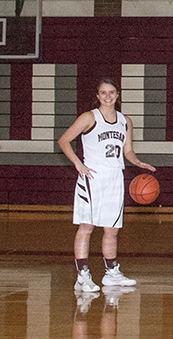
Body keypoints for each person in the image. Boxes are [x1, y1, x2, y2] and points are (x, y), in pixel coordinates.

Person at [58, 79, 155, 293]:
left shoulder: (125, 121)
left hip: (115, 177)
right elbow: (64, 140)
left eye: (111, 92)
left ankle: (111, 273)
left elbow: (127, 150)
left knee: (112, 229)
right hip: (93, 177)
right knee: (87, 226)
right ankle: (82, 275)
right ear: (98, 95)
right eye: (103, 93)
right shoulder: (89, 117)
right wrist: (78, 164)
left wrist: (137, 161)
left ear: (118, 94)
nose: (108, 96)